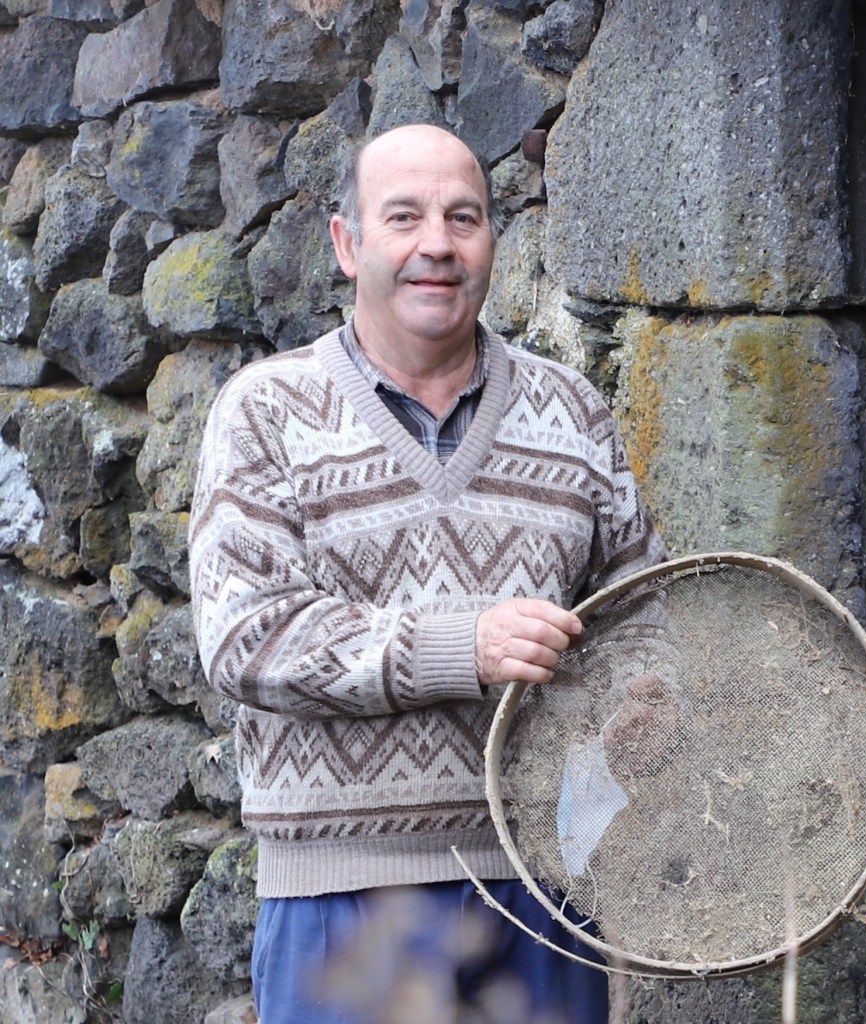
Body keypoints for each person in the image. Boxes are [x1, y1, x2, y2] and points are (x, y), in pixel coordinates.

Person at [188, 123, 667, 1024]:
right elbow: (247, 637)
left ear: (493, 240)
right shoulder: (266, 411)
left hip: (542, 900)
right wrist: (460, 645)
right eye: (403, 217)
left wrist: (646, 700)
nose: (437, 244)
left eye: (464, 217)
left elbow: (642, 612)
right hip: (352, 905)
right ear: (348, 244)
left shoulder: (573, 411)